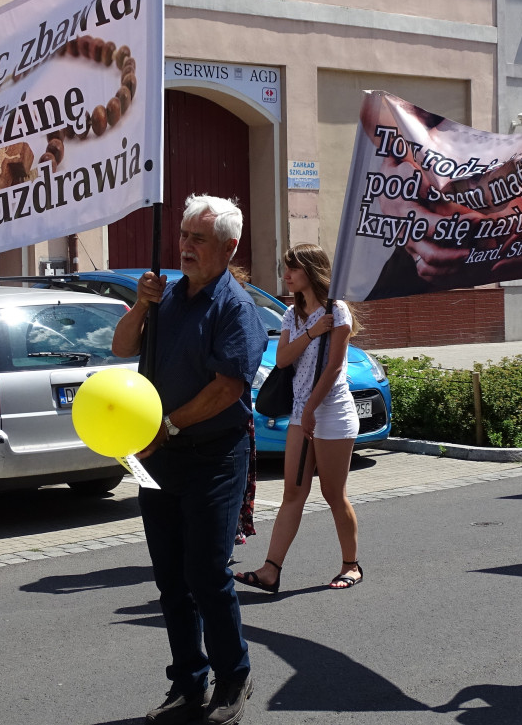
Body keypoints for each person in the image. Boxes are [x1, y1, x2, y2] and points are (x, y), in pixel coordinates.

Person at [111, 195, 267, 725]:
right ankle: (187, 682)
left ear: (229, 247)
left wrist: (169, 425)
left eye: (198, 239)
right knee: (170, 577)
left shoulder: (236, 307)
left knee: (206, 574)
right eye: (183, 235)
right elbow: (121, 348)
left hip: (213, 457)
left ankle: (233, 678)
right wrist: (140, 305)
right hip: (161, 458)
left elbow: (228, 388)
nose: (185, 246)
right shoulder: (168, 295)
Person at [234, 243, 363, 594]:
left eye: (293, 268)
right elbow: (283, 359)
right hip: (301, 414)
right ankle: (271, 570)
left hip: (332, 413)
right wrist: (311, 332)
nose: (286, 275)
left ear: (312, 271)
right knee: (293, 492)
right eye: (285, 268)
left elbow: (334, 367)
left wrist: (309, 410)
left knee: (333, 493)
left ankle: (351, 565)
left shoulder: (337, 311)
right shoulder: (293, 314)